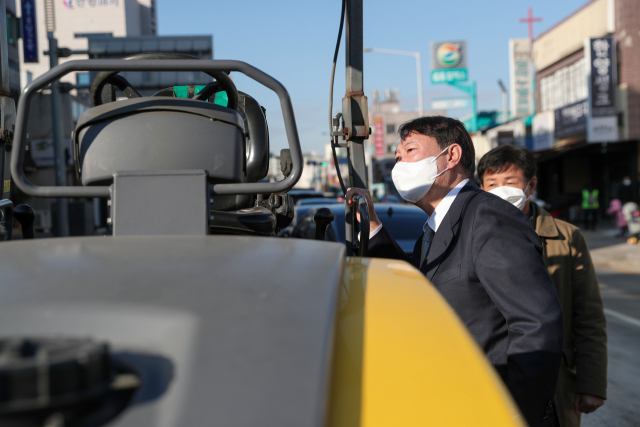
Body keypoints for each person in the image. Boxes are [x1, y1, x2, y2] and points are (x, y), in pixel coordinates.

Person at [346, 116, 563, 427]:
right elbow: (418, 290)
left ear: (451, 156)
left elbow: (536, 323)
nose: (399, 164)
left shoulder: (487, 216)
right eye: (397, 156)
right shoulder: (436, 227)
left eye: (410, 150)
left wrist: (512, 413)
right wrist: (373, 228)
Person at [478, 145, 607, 427]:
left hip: (553, 378)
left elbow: (588, 314)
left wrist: (592, 382)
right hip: (489, 374)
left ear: (531, 185)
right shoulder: (471, 233)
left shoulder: (566, 237)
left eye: (510, 182)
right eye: (492, 184)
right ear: (480, 187)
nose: (501, 190)